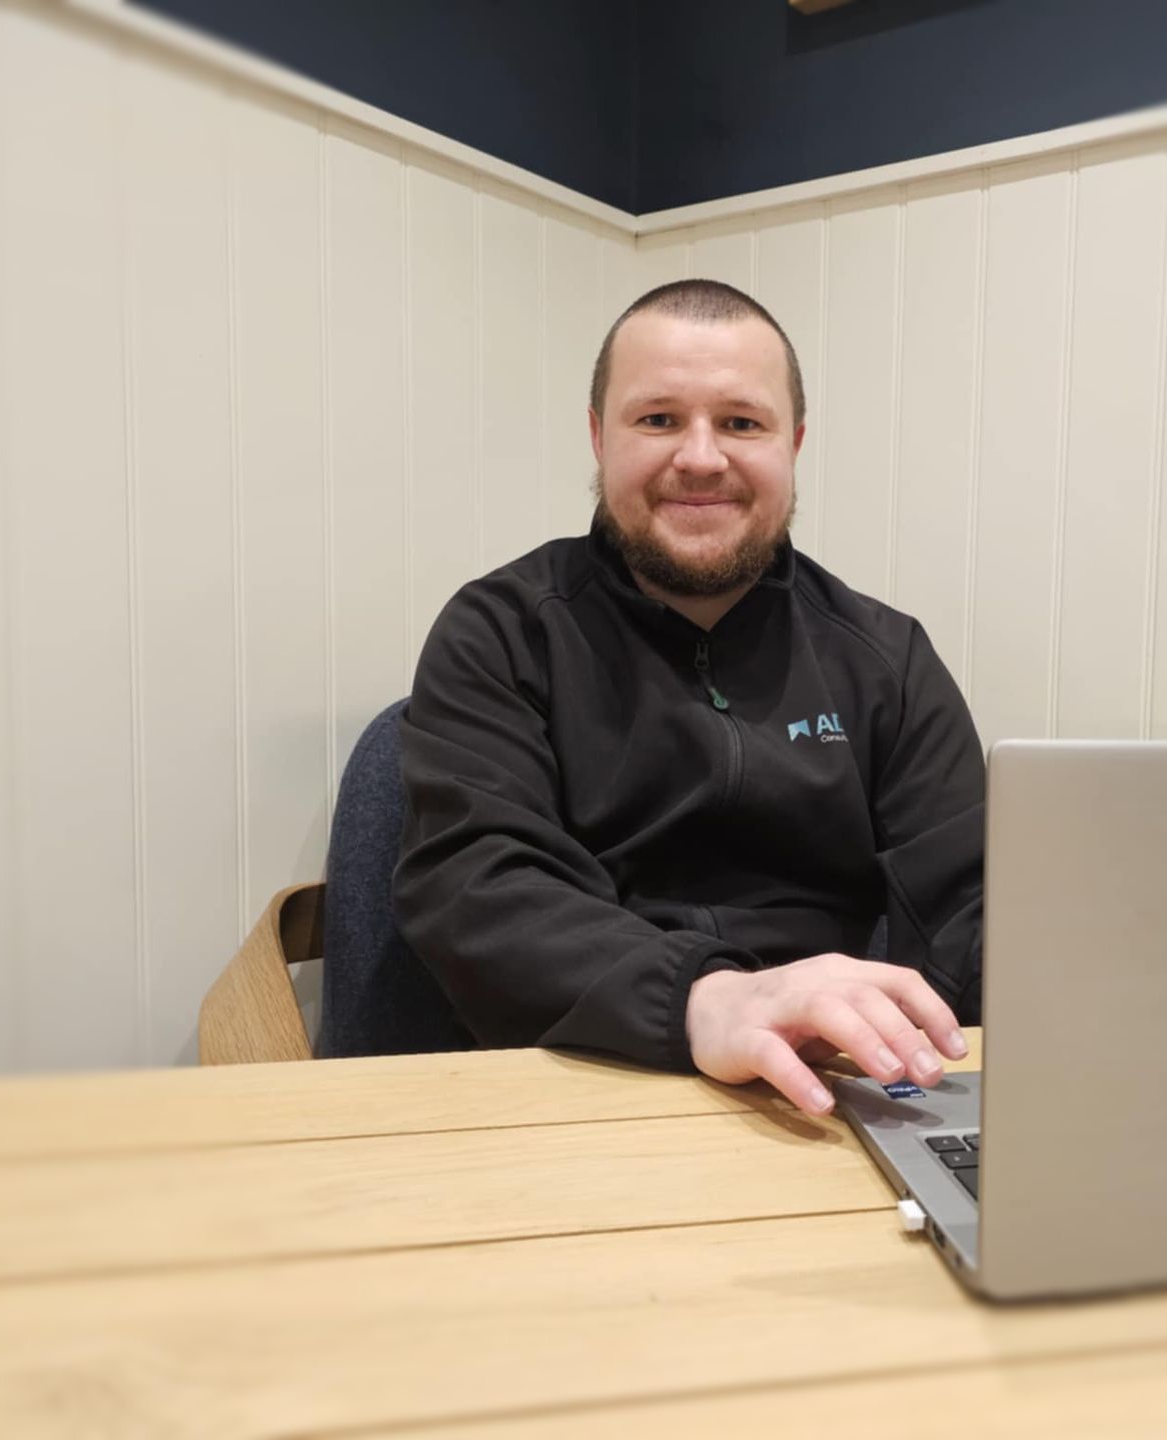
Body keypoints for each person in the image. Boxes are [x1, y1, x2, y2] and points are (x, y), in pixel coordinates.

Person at [395, 279, 983, 1115]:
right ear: (600, 438)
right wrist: (707, 999)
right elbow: (478, 889)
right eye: (659, 419)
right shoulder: (501, 631)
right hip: (577, 1076)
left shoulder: (887, 659)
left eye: (742, 423)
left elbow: (972, 906)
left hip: (828, 1096)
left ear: (795, 444)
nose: (701, 457)